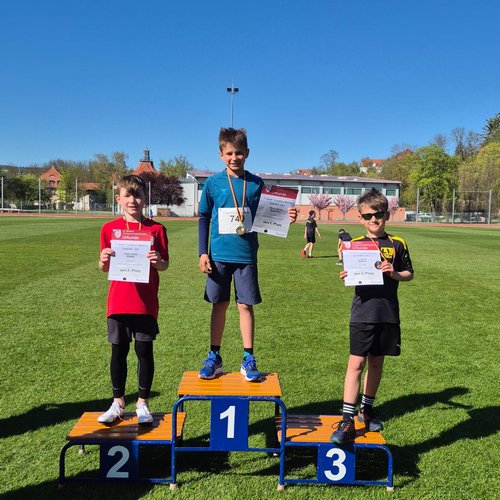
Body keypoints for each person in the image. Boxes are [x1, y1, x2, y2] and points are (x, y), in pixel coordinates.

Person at [198, 128, 297, 382]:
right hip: (218, 255)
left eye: (239, 153)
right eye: (229, 153)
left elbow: (270, 215)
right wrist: (202, 252)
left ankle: (248, 358)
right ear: (220, 155)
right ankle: (214, 356)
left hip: (246, 256)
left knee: (245, 306)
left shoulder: (256, 184)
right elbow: (204, 218)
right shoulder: (213, 183)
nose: (235, 158)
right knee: (219, 305)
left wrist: (287, 216)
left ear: (247, 153)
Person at [331, 188, 414, 443]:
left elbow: (409, 273)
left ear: (387, 215)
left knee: (377, 363)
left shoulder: (398, 243)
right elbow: (349, 271)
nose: (373, 220)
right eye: (368, 216)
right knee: (356, 364)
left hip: (387, 313)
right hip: (362, 313)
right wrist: (346, 273)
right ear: (360, 218)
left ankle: (366, 410)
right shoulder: (354, 245)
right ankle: (347, 419)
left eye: (378, 214)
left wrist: (394, 273)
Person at [98, 175, 169, 424]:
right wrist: (103, 260)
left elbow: (165, 264)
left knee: (144, 351)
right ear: (118, 199)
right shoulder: (109, 229)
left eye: (137, 195)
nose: (133, 200)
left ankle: (142, 403)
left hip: (145, 302)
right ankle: (117, 403)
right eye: (127, 195)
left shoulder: (156, 229)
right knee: (118, 352)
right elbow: (104, 267)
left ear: (144, 198)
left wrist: (157, 261)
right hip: (118, 301)